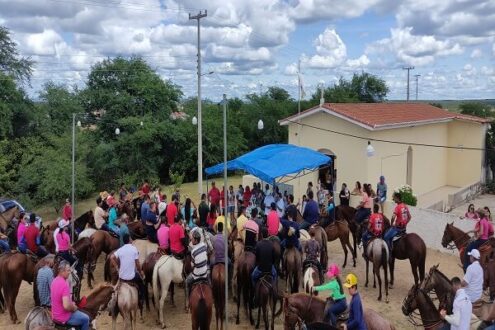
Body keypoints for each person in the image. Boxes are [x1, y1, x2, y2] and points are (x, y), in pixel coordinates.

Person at [51, 261, 90, 330]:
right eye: (68, 270)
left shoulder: (54, 281)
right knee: (86, 318)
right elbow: (66, 306)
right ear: (62, 271)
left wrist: (71, 303)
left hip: (55, 315)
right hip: (64, 317)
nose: (69, 272)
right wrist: (74, 307)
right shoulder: (64, 284)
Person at [111, 233, 145, 307]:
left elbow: (111, 257)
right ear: (129, 239)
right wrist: (141, 272)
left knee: (115, 289)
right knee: (142, 283)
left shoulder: (120, 249)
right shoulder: (134, 249)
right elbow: (137, 264)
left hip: (121, 276)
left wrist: (117, 268)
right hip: (131, 277)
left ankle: (114, 306)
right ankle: (142, 299)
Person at [185, 230, 209, 300]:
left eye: (192, 239)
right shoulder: (204, 246)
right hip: (205, 273)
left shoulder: (193, 251)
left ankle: (188, 300)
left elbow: (192, 265)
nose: (191, 240)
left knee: (187, 281)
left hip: (196, 275)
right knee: (210, 281)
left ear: (195, 240)